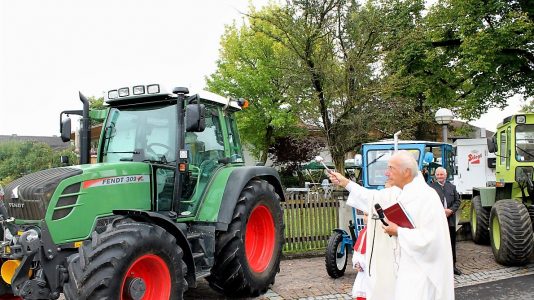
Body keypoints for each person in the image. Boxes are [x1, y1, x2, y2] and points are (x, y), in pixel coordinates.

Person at [329, 150, 454, 300]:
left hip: (421, 272)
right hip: (402, 269)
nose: (387, 173)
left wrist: (399, 232)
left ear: (406, 172)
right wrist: (345, 182)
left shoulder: (427, 197)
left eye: (391, 168)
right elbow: (372, 198)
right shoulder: (398, 192)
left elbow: (433, 239)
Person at [429, 167, 462, 275]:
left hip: (450, 221)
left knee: (451, 244)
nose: (439, 176)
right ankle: (438, 267)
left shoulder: (452, 187)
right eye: (437, 175)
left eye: (441, 174)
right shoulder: (431, 188)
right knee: (437, 244)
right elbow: (428, 202)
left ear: (446, 175)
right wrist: (440, 211)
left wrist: (451, 210)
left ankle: (453, 266)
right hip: (437, 221)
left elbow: (458, 201)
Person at [352, 214, 369, 300]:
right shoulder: (363, 232)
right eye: (364, 215)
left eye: (367, 215)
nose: (364, 218)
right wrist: (357, 263)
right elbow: (357, 251)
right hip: (363, 272)